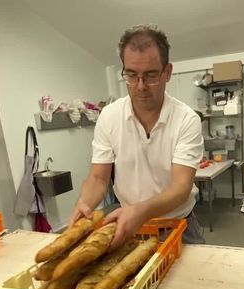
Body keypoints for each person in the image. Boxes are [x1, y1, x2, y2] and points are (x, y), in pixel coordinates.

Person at [68, 24, 205, 248]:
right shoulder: (109, 116)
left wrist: (139, 211)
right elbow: (98, 178)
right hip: (129, 226)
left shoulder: (186, 119)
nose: (140, 86)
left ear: (167, 72)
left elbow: (181, 188)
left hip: (178, 226)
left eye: (150, 75)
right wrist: (84, 204)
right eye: (131, 75)